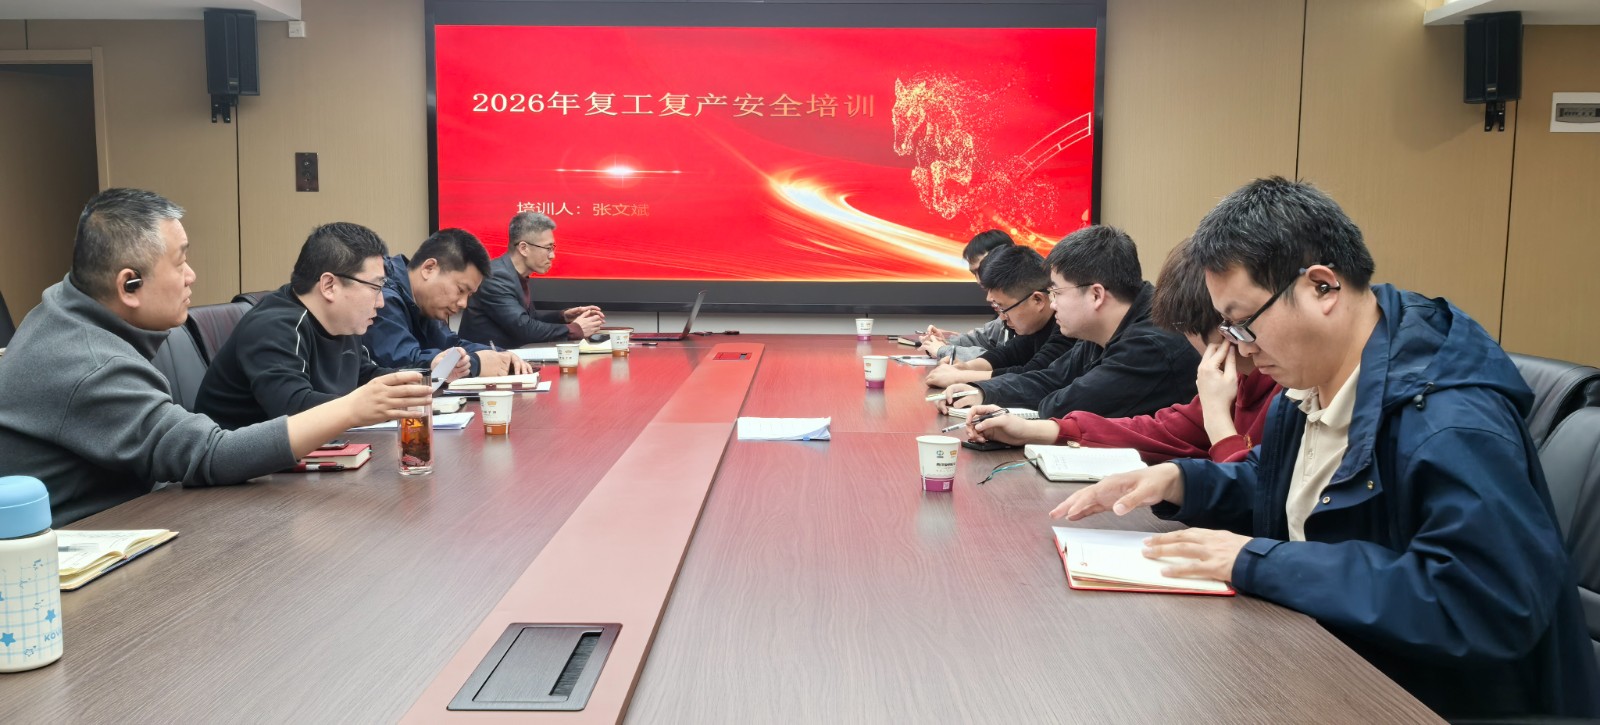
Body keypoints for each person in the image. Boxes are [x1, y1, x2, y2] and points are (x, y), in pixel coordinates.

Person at [1054, 177, 1600, 718]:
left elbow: (1483, 603)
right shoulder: (1312, 383)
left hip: (1429, 701)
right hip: (1330, 660)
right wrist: (1181, 480)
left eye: (1242, 324)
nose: (1240, 350)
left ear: (1322, 287)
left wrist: (1257, 561)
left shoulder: (1449, 421)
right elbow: (1284, 481)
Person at [0, 189, 433, 526]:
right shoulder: (89, 362)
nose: (192, 276)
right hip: (75, 556)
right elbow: (210, 455)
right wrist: (353, 408)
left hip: (129, 519)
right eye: (180, 262)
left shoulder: (65, 316)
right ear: (129, 285)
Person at [963, 238, 1280, 463]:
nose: (1247, 345)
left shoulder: (1156, 343)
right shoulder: (1232, 385)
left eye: (1056, 292)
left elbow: (1251, 494)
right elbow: (1161, 430)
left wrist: (1216, 420)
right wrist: (1033, 429)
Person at [196, 222, 447, 429]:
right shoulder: (274, 327)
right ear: (329, 286)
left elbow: (365, 375)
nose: (381, 302)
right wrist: (363, 406)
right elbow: (293, 410)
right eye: (375, 287)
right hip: (245, 471)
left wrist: (423, 379)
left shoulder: (342, 321)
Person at [937, 225, 1199, 420]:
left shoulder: (1151, 343)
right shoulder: (1099, 330)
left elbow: (1068, 404)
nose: (1052, 304)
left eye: (1057, 292)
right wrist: (982, 391)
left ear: (1096, 295)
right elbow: (1052, 378)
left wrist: (996, 400)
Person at [363, 228, 531, 378]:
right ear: (429, 268)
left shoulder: (423, 302)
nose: (463, 303)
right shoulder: (382, 296)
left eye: (469, 295)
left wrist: (500, 355)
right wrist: (476, 363)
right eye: (460, 290)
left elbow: (451, 344)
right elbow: (406, 363)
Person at [923, 246, 1072, 388]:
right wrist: (965, 367)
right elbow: (1007, 354)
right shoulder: (1036, 324)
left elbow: (1034, 375)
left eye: (1003, 308)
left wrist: (960, 376)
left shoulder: (1067, 326)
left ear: (1037, 300)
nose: (1002, 317)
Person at [459, 211, 606, 346]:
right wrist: (575, 329)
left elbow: (529, 319)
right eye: (548, 248)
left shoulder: (514, 274)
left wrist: (563, 317)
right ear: (523, 248)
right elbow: (524, 329)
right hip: (484, 361)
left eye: (553, 248)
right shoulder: (496, 277)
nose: (552, 256)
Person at [919, 229, 1014, 361]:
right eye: (974, 273)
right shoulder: (1005, 317)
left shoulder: (1023, 311)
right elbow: (982, 338)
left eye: (982, 270)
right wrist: (943, 342)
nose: (979, 280)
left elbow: (1006, 359)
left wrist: (944, 350)